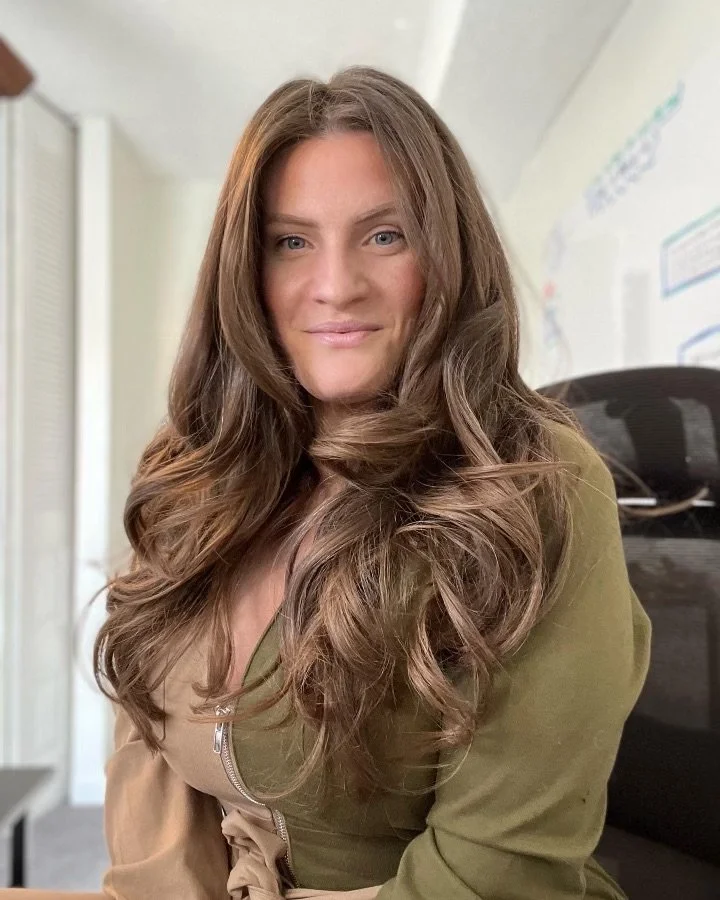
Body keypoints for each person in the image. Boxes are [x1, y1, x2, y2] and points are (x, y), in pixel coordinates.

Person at [3, 66, 650, 899]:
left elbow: (497, 874)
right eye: (291, 241)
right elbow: (149, 746)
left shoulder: (536, 483)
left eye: (386, 235)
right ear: (246, 268)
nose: (336, 284)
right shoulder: (200, 467)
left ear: (446, 254)